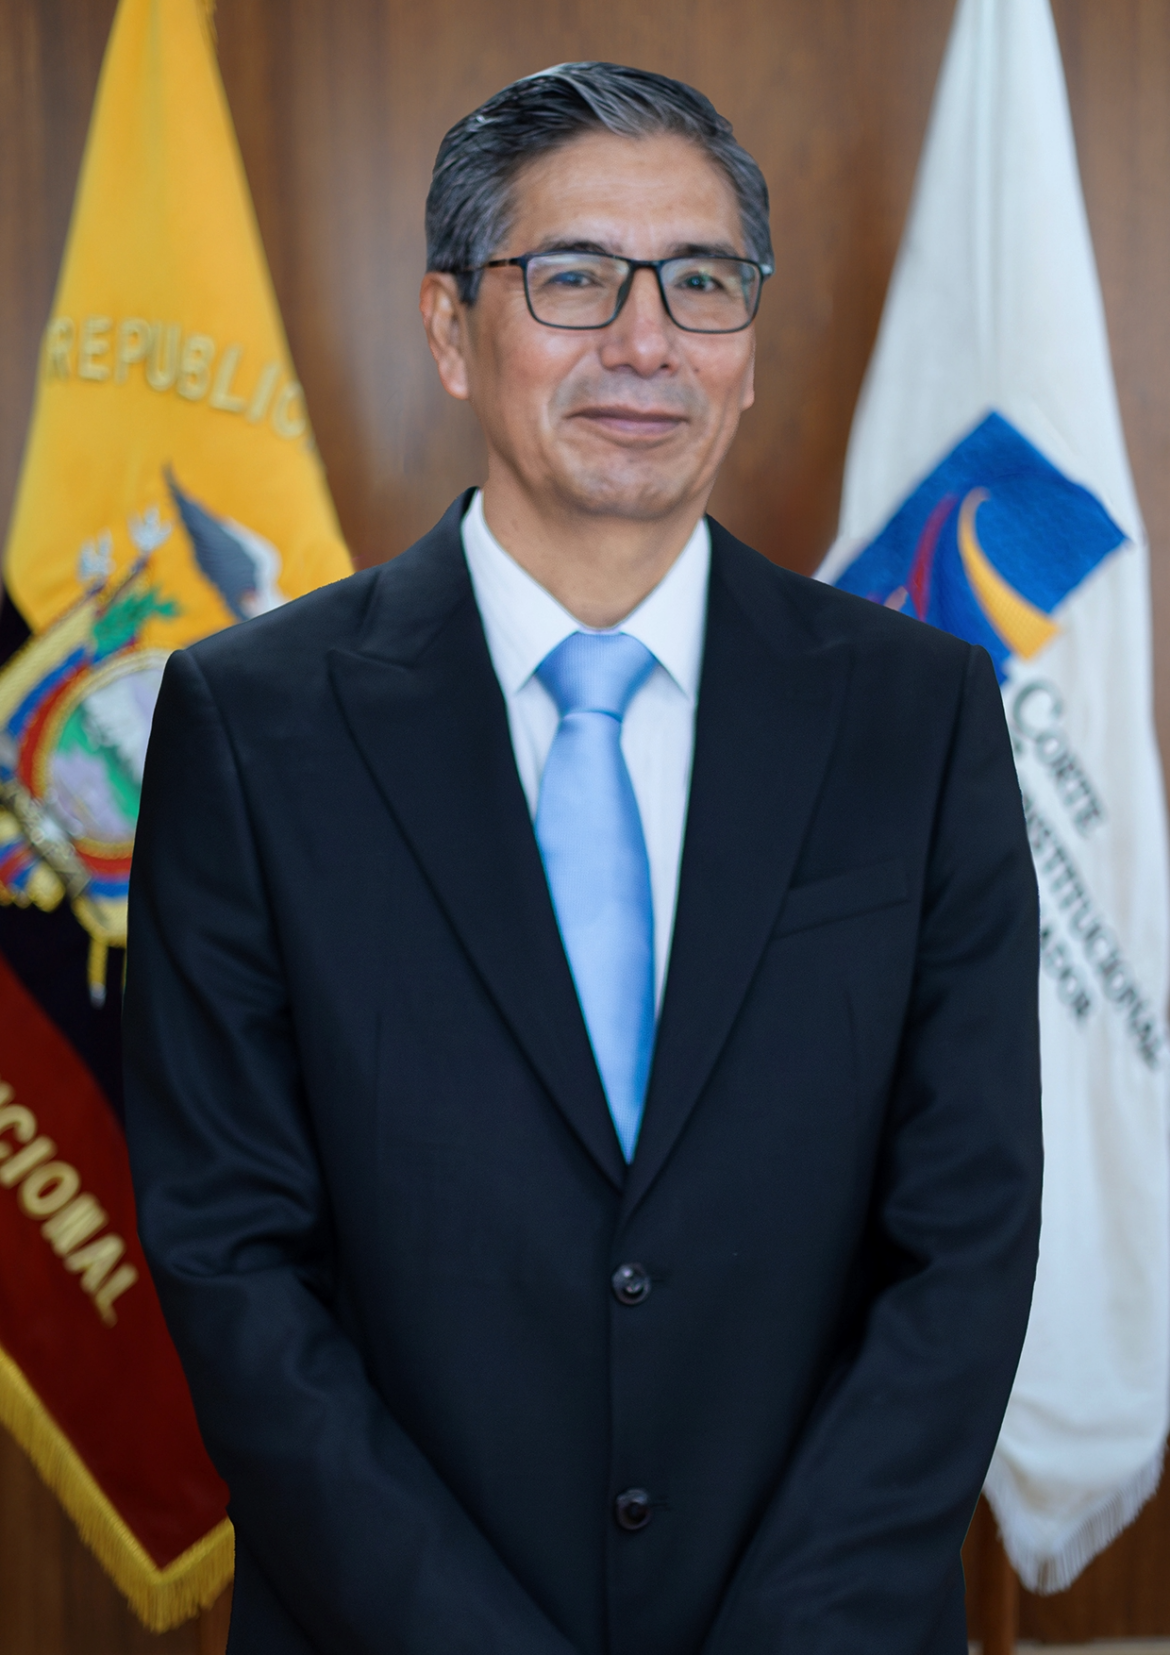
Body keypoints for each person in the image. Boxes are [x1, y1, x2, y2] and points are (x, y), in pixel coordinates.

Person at [124, 62, 1042, 1655]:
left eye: (700, 282)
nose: (644, 340)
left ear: (746, 346)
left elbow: (962, 1240)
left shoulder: (916, 715)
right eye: (572, 277)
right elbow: (233, 1263)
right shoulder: (251, 724)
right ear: (448, 327)